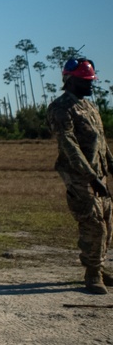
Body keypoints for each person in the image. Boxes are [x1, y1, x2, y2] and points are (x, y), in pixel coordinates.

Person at [46, 57, 113, 295]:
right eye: (86, 81)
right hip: (79, 177)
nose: (91, 84)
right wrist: (90, 177)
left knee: (107, 222)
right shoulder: (60, 108)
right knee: (94, 224)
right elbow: (69, 145)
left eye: (91, 79)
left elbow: (100, 141)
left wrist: (110, 166)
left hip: (99, 174)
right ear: (71, 81)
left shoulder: (89, 107)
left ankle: (100, 266)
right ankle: (92, 274)